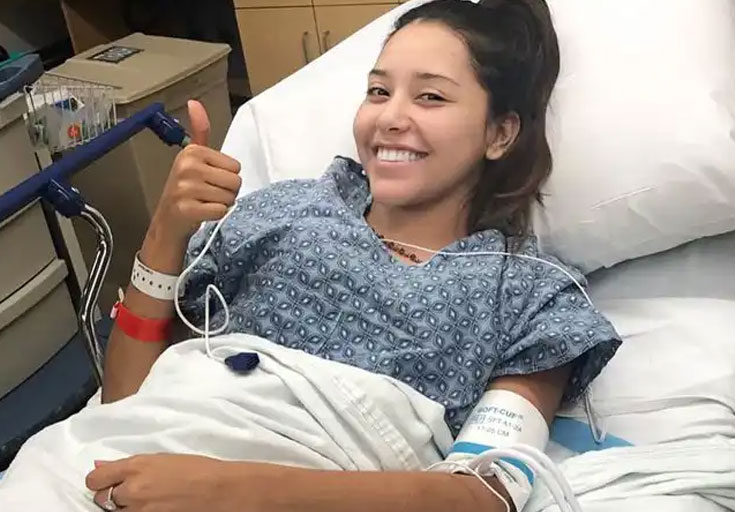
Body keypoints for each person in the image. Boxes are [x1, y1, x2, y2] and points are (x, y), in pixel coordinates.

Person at [3, 0, 621, 510]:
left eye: (430, 98)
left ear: (500, 133)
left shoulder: (528, 292)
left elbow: (485, 495)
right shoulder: (286, 209)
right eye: (378, 91)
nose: (390, 117)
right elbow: (125, 401)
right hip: (116, 465)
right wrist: (165, 232)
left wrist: (231, 489)